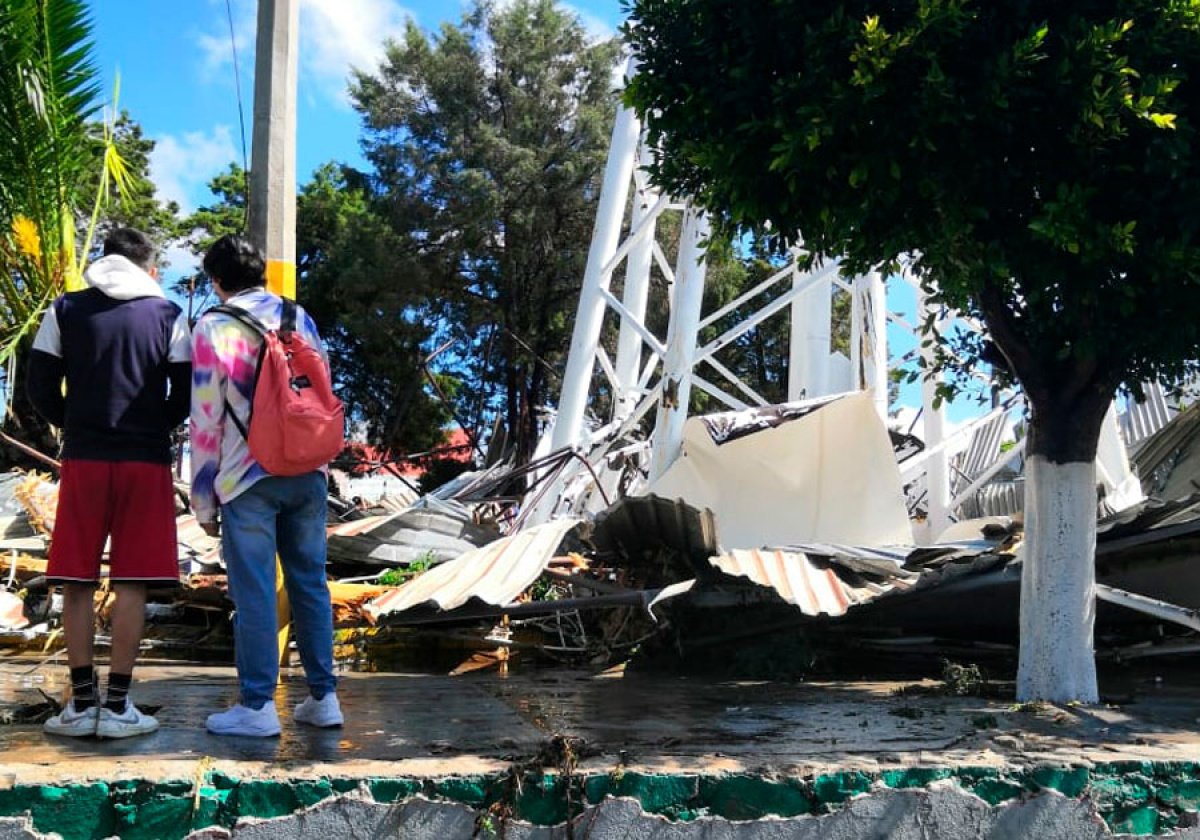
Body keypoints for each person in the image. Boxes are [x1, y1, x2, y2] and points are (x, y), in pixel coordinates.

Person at [28, 227, 191, 739]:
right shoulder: (167, 316)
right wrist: (150, 427)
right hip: (144, 462)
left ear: (104, 260)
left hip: (84, 458)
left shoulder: (66, 309)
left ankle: (79, 705)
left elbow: (38, 386)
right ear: (149, 267)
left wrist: (72, 423)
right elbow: (184, 393)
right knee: (132, 582)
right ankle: (118, 707)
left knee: (75, 580)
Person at [190, 234, 341, 737]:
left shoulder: (215, 325)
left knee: (253, 591)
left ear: (217, 281)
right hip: (308, 470)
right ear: (261, 275)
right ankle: (324, 698)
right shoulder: (298, 317)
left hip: (247, 474)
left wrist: (203, 497)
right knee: (310, 584)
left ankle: (257, 707)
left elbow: (206, 417)